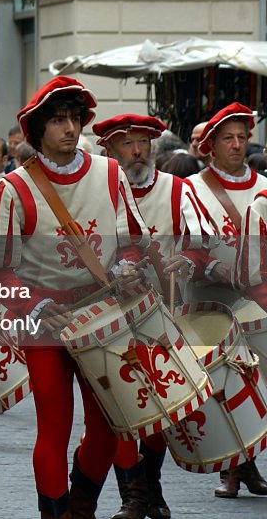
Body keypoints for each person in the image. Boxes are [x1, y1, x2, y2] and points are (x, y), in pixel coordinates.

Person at [0, 76, 149, 519]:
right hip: (44, 319)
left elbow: (133, 242)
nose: (69, 128)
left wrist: (128, 267)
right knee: (54, 427)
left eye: (74, 118)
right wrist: (30, 305)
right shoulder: (11, 189)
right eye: (57, 120)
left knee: (111, 425)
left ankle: (81, 503)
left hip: (104, 314)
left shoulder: (110, 174)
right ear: (38, 131)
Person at [93, 114, 219, 519]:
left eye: (143, 143)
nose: (136, 152)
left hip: (166, 312)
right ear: (109, 151)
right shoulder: (95, 193)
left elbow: (203, 243)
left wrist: (188, 260)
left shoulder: (178, 190)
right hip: (109, 315)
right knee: (120, 407)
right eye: (126, 145)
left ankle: (152, 484)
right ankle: (133, 494)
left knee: (163, 404)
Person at [184, 102, 267, 498]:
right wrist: (214, 265)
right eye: (227, 139)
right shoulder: (192, 189)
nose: (236, 145)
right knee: (225, 378)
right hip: (212, 295)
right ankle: (234, 467)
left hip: (260, 294)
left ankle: (248, 463)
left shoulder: (264, 184)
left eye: (241, 137)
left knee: (260, 378)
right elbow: (187, 241)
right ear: (210, 145)